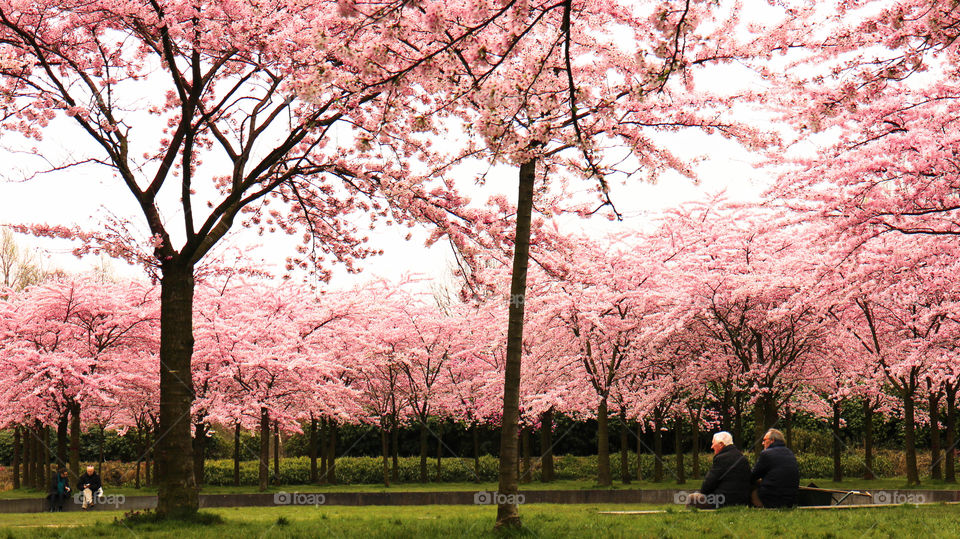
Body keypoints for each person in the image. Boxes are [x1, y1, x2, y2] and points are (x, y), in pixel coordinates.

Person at [687, 431, 751, 509]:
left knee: (692, 498)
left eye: (713, 443)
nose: (712, 447)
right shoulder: (743, 458)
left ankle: (689, 516)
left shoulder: (721, 458)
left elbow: (707, 486)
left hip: (724, 501)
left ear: (721, 444)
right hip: (742, 500)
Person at [751, 428, 800, 508]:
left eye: (764, 440)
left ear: (772, 440)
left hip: (772, 498)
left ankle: (759, 507)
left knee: (752, 486)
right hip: (790, 499)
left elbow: (753, 475)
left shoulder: (766, 454)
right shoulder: (790, 453)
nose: (763, 443)